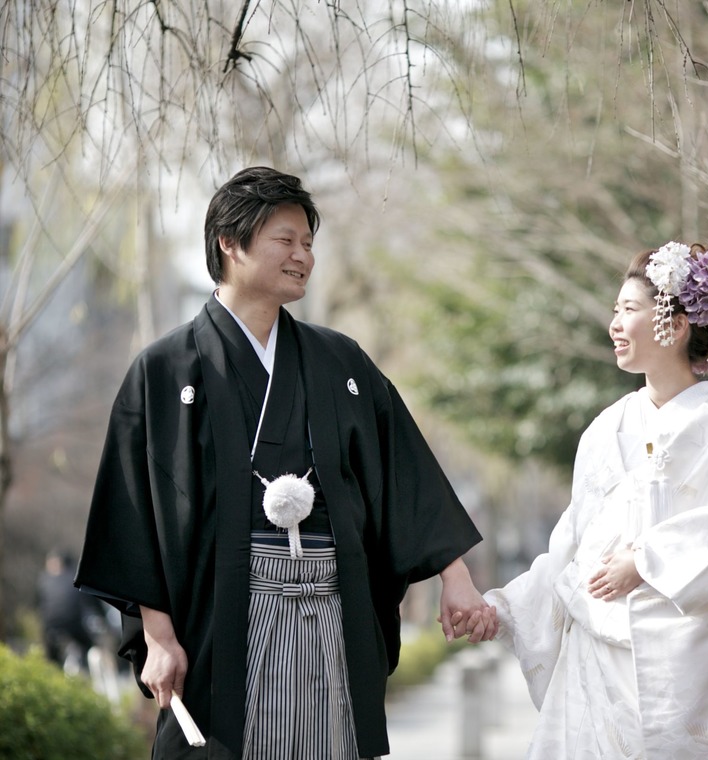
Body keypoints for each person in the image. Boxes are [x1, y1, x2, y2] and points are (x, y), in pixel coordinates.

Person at [75, 166, 496, 759]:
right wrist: (158, 635)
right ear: (230, 242)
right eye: (286, 240)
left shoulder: (339, 361)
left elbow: (403, 472)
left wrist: (456, 578)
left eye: (308, 244)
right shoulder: (165, 370)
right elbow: (134, 514)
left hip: (332, 606)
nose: (303, 256)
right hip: (222, 619)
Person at [483, 242, 708, 760]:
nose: (614, 324)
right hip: (598, 662)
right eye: (616, 310)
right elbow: (570, 547)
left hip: (698, 668)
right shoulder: (605, 429)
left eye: (628, 309)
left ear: (676, 322)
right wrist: (502, 609)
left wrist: (645, 561)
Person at [37, 548, 107, 671]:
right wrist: (103, 617)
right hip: (74, 624)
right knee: (88, 646)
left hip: (50, 626)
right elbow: (92, 601)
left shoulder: (43, 579)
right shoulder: (75, 576)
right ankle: (85, 672)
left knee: (52, 656)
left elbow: (38, 603)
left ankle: (54, 673)